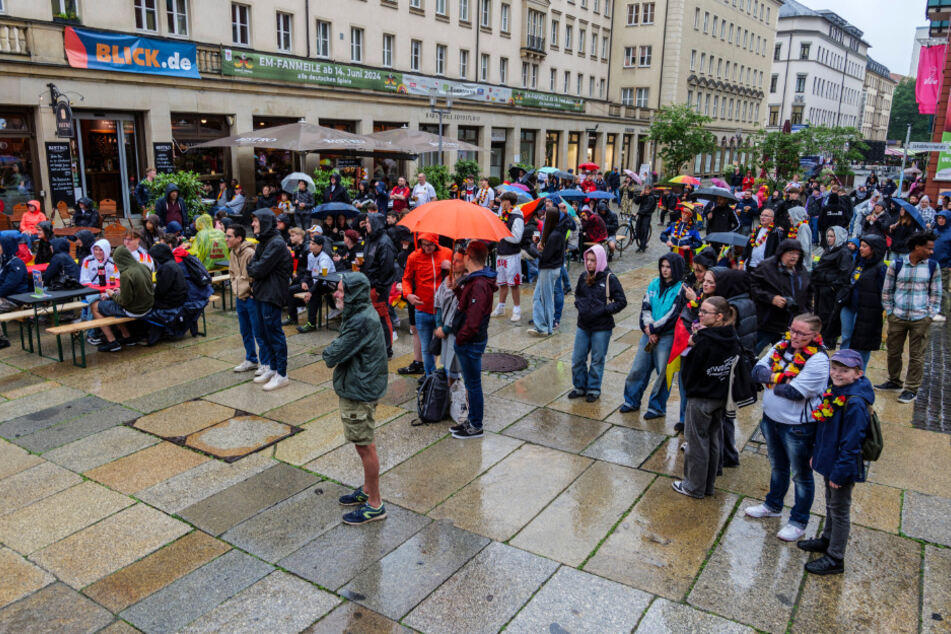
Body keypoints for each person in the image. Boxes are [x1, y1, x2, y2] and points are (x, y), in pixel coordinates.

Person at [746, 313, 829, 542]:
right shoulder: (781, 347)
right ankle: (773, 505)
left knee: (801, 475)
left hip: (797, 427)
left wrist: (772, 380)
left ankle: (798, 521)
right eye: (792, 330)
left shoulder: (818, 360)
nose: (794, 335)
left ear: (815, 335)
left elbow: (793, 393)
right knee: (777, 466)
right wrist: (782, 378)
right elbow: (756, 372)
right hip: (770, 419)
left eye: (801, 333)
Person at [798, 348, 874, 576]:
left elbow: (852, 443)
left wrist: (840, 474)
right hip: (829, 459)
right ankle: (827, 539)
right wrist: (817, 454)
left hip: (842, 466)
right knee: (831, 504)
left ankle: (835, 558)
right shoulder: (838, 390)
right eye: (834, 369)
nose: (837, 374)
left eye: (844, 371)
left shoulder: (855, 403)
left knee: (840, 510)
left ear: (858, 374)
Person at [323, 272, 389, 525]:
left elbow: (332, 355)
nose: (336, 294)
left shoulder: (360, 320)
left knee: (365, 446)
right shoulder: (359, 314)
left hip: (360, 389)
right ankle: (367, 490)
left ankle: (375, 505)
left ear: (354, 294)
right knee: (364, 443)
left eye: (341, 290)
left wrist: (331, 348)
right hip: (363, 384)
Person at [672, 296, 742, 499]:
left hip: (701, 397)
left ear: (719, 316)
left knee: (696, 442)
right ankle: (708, 485)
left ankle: (693, 486)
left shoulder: (704, 340)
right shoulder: (731, 336)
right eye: (700, 311)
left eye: (704, 312)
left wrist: (693, 344)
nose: (700, 315)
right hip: (721, 396)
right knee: (713, 439)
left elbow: (691, 371)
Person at [876, 231, 942, 403]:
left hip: (920, 318)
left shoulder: (932, 266)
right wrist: (890, 312)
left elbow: (936, 293)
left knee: (917, 356)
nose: (931, 252)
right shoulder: (897, 264)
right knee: (893, 351)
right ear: (917, 247)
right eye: (928, 248)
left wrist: (930, 315)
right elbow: (887, 290)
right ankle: (894, 380)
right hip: (897, 316)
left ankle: (911, 388)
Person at [620, 252, 687, 417]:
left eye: (668, 267)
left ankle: (656, 407)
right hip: (649, 333)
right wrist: (648, 328)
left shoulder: (681, 289)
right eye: (662, 266)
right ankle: (631, 400)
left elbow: (674, 314)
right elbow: (646, 305)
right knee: (638, 368)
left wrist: (656, 330)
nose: (664, 270)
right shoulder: (654, 283)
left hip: (667, 336)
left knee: (662, 374)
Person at [449, 241, 497, 439]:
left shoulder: (479, 283)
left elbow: (474, 319)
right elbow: (469, 304)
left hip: (471, 342)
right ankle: (471, 421)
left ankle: (476, 425)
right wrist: (457, 290)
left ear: (469, 257)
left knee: (473, 385)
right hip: (470, 340)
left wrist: (460, 338)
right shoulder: (476, 280)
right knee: (471, 384)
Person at [569, 244, 627, 402]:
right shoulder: (583, 277)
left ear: (600, 260)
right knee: (577, 358)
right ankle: (579, 386)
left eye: (593, 261)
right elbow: (578, 295)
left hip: (601, 327)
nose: (589, 263)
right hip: (584, 325)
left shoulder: (610, 279)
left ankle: (593, 389)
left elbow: (621, 301)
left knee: (597, 360)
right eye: (587, 260)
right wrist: (580, 306)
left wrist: (605, 310)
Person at [248, 209, 293, 391]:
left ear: (265, 222)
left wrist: (254, 268)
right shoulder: (263, 242)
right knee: (264, 333)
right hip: (261, 292)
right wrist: (254, 268)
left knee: (274, 333)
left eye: (256, 221)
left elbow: (257, 269)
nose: (252, 225)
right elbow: (252, 266)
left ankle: (281, 374)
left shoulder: (276, 243)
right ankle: (273, 368)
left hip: (271, 294)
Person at [401, 233, 452, 376]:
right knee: (426, 349)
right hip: (422, 309)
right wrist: (408, 295)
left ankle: (449, 378)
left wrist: (451, 267)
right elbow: (406, 279)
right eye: (423, 244)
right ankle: (430, 378)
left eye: (430, 244)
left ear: (436, 242)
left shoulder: (447, 253)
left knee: (447, 347)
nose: (427, 248)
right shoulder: (414, 256)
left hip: (443, 311)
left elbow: (462, 275)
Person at [750, 239, 811, 354]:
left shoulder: (801, 271)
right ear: (782, 253)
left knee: (786, 357)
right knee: (752, 353)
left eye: (797, 253)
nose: (794, 257)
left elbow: (807, 295)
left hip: (792, 324)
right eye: (790, 253)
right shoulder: (766, 267)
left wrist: (808, 317)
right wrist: (771, 298)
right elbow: (753, 288)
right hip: (767, 322)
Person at [90, 246, 155, 352]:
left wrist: (111, 294)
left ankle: (112, 342)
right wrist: (120, 291)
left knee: (95, 306)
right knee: (110, 305)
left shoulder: (126, 274)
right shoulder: (143, 267)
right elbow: (139, 288)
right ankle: (127, 337)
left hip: (135, 310)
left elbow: (124, 302)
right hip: (148, 307)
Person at [839, 235, 887, 369]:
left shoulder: (880, 268)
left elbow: (884, 291)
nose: (860, 248)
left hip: (867, 312)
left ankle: (858, 375)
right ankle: (842, 369)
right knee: (846, 338)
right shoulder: (858, 262)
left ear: (874, 249)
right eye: (861, 245)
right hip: (849, 307)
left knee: (863, 344)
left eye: (864, 246)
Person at [227, 225, 267, 373]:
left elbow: (256, 275)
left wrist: (251, 291)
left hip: (251, 298)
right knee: (245, 331)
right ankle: (251, 359)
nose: (226, 239)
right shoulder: (232, 252)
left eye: (229, 236)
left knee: (259, 331)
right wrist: (235, 286)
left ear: (239, 238)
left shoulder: (250, 253)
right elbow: (231, 272)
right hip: (240, 297)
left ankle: (266, 362)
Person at [362, 212, 399, 358]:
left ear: (375, 224)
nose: (366, 225)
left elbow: (387, 267)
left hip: (379, 287)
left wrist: (379, 288)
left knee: (383, 316)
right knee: (372, 317)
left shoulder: (384, 242)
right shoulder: (370, 239)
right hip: (369, 283)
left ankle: (387, 349)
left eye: (368, 222)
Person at [528, 208, 566, 337]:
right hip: (553, 268)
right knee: (540, 297)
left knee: (543, 298)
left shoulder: (554, 235)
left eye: (545, 215)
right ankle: (542, 326)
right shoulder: (557, 232)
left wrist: (534, 248)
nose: (543, 217)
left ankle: (544, 327)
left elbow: (545, 256)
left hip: (548, 269)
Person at [811, 227, 852, 346]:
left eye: (832, 236)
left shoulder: (844, 252)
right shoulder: (829, 250)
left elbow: (844, 273)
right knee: (819, 314)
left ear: (838, 237)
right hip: (820, 286)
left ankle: (828, 341)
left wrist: (832, 287)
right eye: (828, 236)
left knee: (828, 315)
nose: (829, 239)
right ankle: (820, 338)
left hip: (829, 289)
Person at [492, 192, 525, 322]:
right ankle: (501, 306)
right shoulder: (504, 215)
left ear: (508, 202)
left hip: (512, 255)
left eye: (502, 201)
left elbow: (517, 238)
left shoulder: (517, 217)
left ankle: (517, 309)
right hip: (501, 253)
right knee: (502, 282)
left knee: (514, 283)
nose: (500, 203)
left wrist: (502, 231)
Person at [434, 248, 465, 383]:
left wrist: (446, 329)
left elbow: (459, 310)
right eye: (453, 260)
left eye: (458, 261)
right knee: (448, 365)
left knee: (457, 368)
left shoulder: (467, 283)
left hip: (456, 331)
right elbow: (438, 303)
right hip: (444, 331)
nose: (453, 263)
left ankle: (459, 398)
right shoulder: (446, 280)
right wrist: (439, 325)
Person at [296, 236, 338, 333]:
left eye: (313, 244)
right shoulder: (310, 255)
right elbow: (308, 272)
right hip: (317, 281)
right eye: (310, 243)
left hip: (329, 282)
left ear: (320, 246)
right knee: (293, 289)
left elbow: (322, 278)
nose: (310, 245)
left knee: (314, 293)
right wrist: (304, 282)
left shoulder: (324, 259)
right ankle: (292, 317)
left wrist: (310, 291)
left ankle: (311, 323)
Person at [934, 210, 951, 321]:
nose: (941, 220)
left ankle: (942, 312)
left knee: (943, 289)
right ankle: (932, 309)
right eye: (939, 218)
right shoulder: (934, 231)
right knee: (931, 288)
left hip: (944, 265)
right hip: (932, 264)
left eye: (943, 218)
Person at [633, 185, 657, 252]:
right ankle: (642, 243)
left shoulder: (651, 198)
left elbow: (647, 208)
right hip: (641, 214)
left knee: (644, 231)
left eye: (647, 190)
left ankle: (642, 247)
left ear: (649, 190)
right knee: (638, 229)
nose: (645, 191)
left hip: (647, 215)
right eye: (645, 189)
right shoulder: (643, 196)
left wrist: (638, 213)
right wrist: (640, 195)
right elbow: (636, 202)